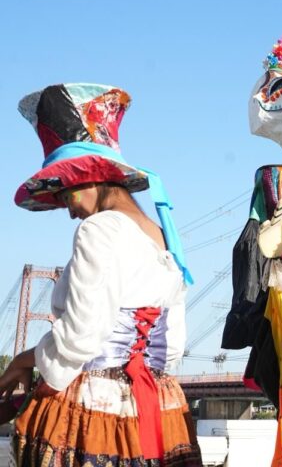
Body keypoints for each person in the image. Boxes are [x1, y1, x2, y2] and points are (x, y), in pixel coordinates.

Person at [0, 84, 201, 466]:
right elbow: (172, 348)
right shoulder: (161, 237)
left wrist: (24, 360)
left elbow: (80, 337)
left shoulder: (99, 229)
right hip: (160, 408)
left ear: (88, 176)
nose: (68, 210)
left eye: (65, 195)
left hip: (96, 409)